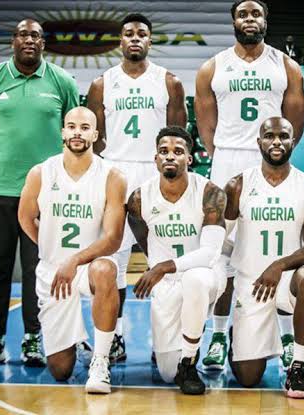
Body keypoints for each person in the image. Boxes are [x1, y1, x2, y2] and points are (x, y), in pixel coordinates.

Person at [195, 0, 304, 371]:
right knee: (222, 255)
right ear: (233, 21)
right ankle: (218, 336)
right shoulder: (212, 67)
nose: (249, 19)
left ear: (265, 20)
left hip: (270, 161)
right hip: (227, 158)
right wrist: (226, 156)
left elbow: (294, 125)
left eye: (255, 13)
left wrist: (273, 156)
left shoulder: (286, 66)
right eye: (242, 14)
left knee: (281, 246)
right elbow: (206, 126)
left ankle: (286, 337)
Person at [0, 18, 80, 367]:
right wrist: (3, 155)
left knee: (38, 268)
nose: (29, 40)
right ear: (13, 41)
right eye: (22, 35)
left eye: (35, 35)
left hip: (45, 191)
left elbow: (73, 127)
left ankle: (33, 337)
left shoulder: (61, 81)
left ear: (43, 43)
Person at [86, 13, 187, 364]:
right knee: (113, 260)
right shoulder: (102, 84)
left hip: (154, 176)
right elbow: (95, 138)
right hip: (115, 173)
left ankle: (167, 340)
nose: (134, 38)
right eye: (128, 33)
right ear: (120, 40)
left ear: (149, 40)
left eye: (141, 34)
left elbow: (177, 136)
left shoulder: (169, 81)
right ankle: (114, 336)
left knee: (163, 258)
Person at [17, 107, 127, 394]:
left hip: (88, 266)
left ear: (95, 134)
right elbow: (25, 217)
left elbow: (113, 239)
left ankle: (100, 360)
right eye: (72, 126)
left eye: (84, 127)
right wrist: (49, 246)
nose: (77, 132)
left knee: (106, 269)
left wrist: (75, 260)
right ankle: (75, 342)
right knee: (60, 370)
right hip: (53, 270)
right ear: (63, 132)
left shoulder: (112, 176)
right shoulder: (41, 173)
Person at [226, 117, 304, 399]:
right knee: (248, 378)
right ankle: (238, 335)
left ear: (294, 141)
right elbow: (219, 236)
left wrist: (278, 266)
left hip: (287, 279)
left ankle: (298, 367)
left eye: (283, 136)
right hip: (252, 282)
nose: (276, 142)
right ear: (259, 142)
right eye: (269, 136)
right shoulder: (238, 185)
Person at [126, 126, 227, 395]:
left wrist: (161, 266)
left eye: (178, 151)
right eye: (164, 151)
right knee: (167, 374)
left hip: (206, 273)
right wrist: (160, 267)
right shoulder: (139, 198)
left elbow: (210, 252)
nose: (170, 156)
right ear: (155, 159)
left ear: (189, 159)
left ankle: (188, 362)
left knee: (195, 279)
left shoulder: (210, 193)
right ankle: (178, 353)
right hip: (167, 283)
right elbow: (143, 238)